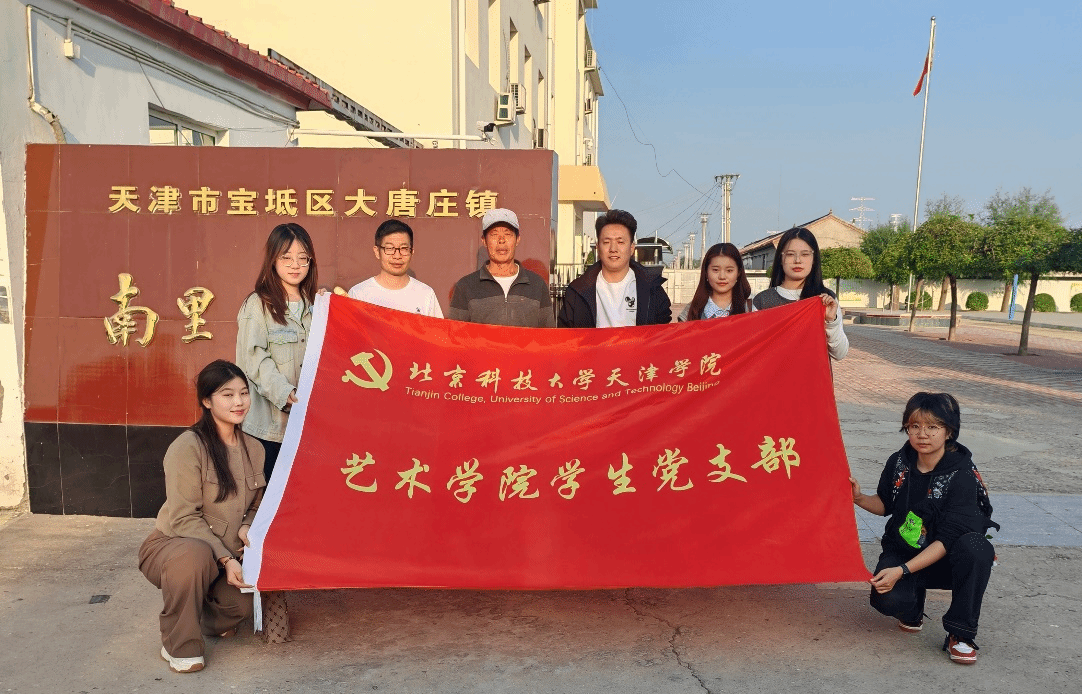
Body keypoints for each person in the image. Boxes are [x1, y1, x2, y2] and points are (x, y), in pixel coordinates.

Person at [850, 392, 998, 666]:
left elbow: (946, 540)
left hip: (948, 559)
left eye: (933, 427)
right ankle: (912, 607)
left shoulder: (962, 475)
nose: (922, 434)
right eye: (915, 426)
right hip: (905, 548)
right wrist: (858, 498)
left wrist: (901, 571)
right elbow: (885, 504)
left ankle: (961, 634)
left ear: (949, 431)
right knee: (887, 600)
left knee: (977, 548)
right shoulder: (899, 462)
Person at [138, 360, 265, 674]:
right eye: (227, 395)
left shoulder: (255, 448)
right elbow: (183, 518)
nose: (238, 402)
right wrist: (226, 558)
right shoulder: (187, 447)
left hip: (222, 557)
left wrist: (247, 525)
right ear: (207, 401)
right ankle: (179, 644)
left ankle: (200, 614)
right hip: (174, 547)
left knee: (242, 605)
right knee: (193, 557)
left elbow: (257, 502)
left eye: (244, 393)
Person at [236, 223, 317, 480]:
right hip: (269, 430)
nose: (295, 265)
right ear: (273, 260)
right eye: (286, 257)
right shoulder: (257, 305)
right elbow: (254, 359)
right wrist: (285, 393)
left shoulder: (316, 306)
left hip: (309, 428)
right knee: (268, 496)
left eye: (302, 258)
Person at [558, 209, 671, 327]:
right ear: (598, 247)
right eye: (606, 242)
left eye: (620, 242)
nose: (613, 249)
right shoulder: (577, 292)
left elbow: (663, 334)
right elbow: (566, 334)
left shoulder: (652, 289)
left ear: (631, 248)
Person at [750, 226, 848, 359]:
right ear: (780, 258)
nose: (797, 260)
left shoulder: (825, 299)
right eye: (790, 254)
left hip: (814, 373)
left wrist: (831, 321)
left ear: (814, 259)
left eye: (805, 254)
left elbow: (839, 354)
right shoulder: (762, 301)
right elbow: (754, 352)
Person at [448, 208, 556, 327]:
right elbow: (455, 333)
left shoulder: (537, 285)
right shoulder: (465, 286)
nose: (501, 240)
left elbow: (548, 334)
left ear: (518, 239)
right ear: (484, 241)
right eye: (494, 235)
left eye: (507, 234)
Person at [348, 219, 443, 317]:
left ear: (411, 252)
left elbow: (438, 327)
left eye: (404, 249)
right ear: (377, 252)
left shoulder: (426, 294)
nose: (397, 256)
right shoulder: (358, 294)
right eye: (389, 248)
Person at [677, 243, 751, 321]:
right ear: (706, 272)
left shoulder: (750, 310)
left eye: (729, 270)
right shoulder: (691, 311)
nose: (722, 277)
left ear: (739, 272)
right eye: (715, 270)